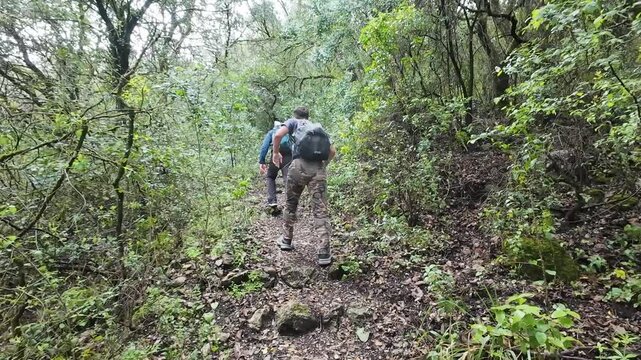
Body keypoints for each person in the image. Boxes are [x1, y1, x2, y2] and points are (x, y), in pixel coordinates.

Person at [271, 107, 336, 266]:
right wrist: (322, 166)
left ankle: (286, 240)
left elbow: (278, 135)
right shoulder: (317, 127)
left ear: (295, 116)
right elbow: (332, 151)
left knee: (291, 204)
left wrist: (275, 153)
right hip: (318, 169)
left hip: (298, 167)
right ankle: (324, 253)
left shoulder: (293, 122)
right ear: (308, 116)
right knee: (320, 210)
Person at [258, 121, 292, 210]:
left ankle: (272, 201)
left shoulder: (271, 132)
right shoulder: (287, 132)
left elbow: (264, 147)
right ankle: (290, 202)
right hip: (288, 156)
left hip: (276, 155)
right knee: (287, 178)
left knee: (270, 176)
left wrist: (262, 161)